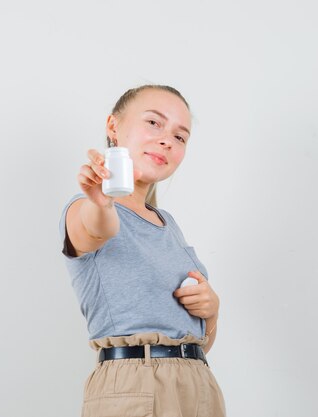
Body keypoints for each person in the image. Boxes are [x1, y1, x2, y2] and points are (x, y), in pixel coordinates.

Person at [59, 84, 226, 416]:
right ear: (113, 127)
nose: (167, 140)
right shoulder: (85, 208)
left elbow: (197, 341)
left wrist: (212, 310)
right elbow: (96, 228)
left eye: (180, 137)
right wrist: (102, 203)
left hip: (197, 383)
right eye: (154, 123)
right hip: (135, 385)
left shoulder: (168, 224)